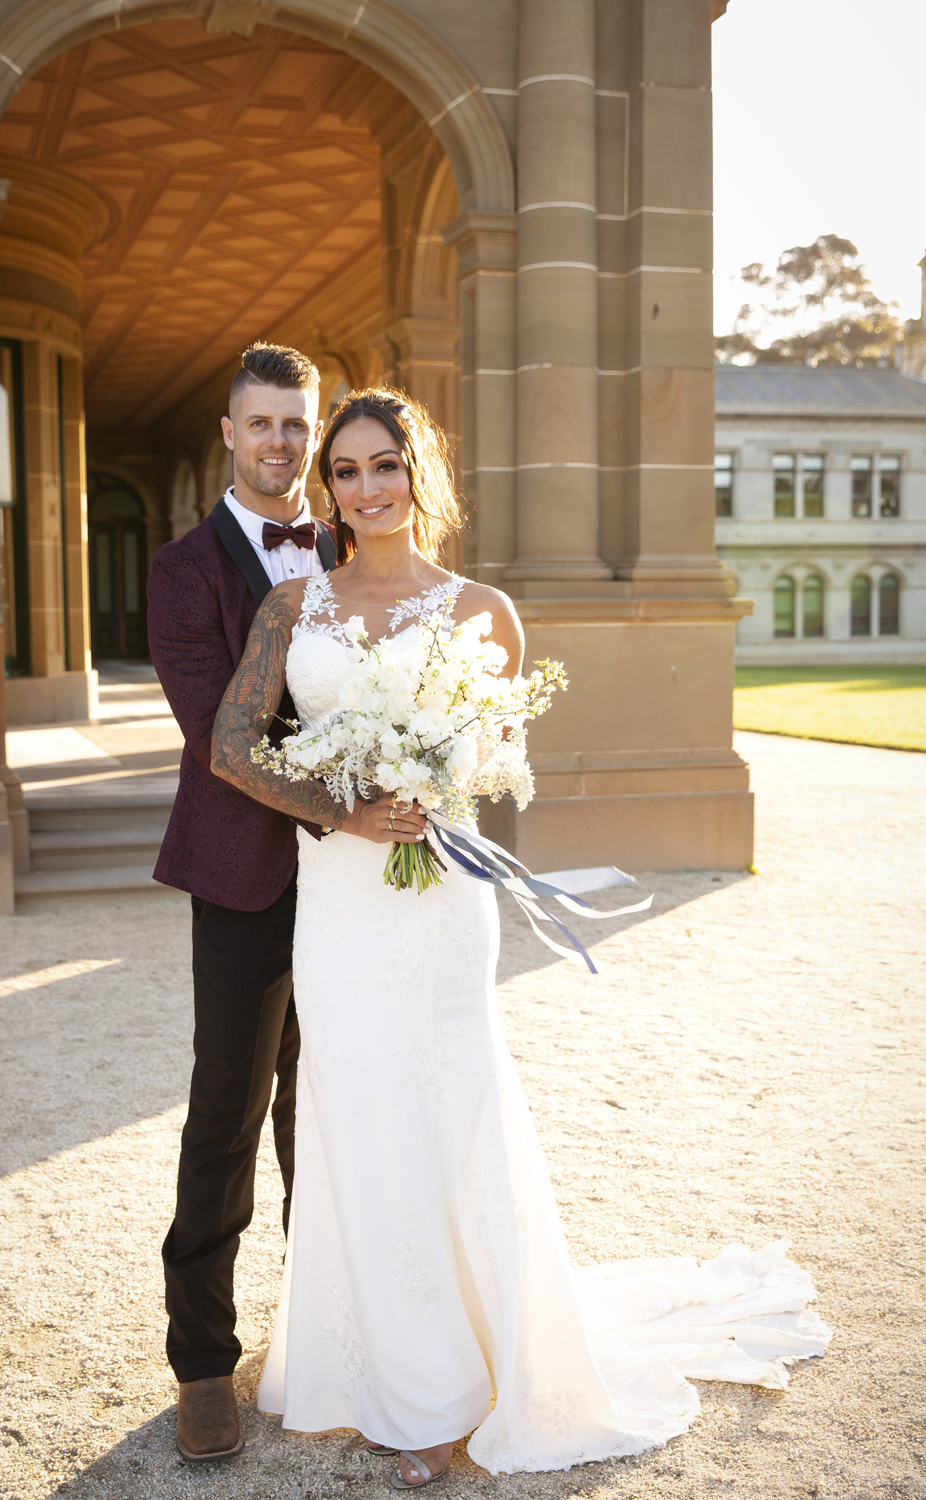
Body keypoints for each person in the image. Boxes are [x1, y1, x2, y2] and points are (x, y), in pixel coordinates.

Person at [210, 388, 830, 1487]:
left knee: (448, 1105)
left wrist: (426, 776)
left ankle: (451, 1392)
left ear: (418, 473)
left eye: (385, 465)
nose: (366, 487)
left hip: (439, 904)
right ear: (329, 490)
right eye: (345, 471)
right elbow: (231, 746)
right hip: (340, 900)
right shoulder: (291, 608)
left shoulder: (482, 609)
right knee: (356, 1113)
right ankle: (373, 1366)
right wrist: (347, 807)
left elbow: (493, 758)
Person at [146, 342, 337, 1463]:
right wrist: (353, 797)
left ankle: (329, 1331)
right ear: (229, 432)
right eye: (261, 422)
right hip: (241, 874)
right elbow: (219, 737)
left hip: (358, 890)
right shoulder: (183, 569)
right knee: (228, 1111)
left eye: (296, 423)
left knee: (337, 1109)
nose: (280, 441)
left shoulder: (356, 549)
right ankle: (204, 1364)